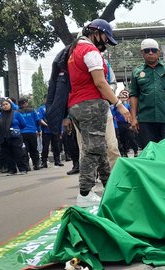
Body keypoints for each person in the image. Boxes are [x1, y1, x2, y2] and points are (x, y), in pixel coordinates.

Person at [66, 18, 130, 207]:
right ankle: (85, 193)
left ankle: (109, 186)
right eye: (105, 39)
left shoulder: (74, 50)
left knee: (99, 147)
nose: (105, 44)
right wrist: (118, 104)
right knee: (92, 149)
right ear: (95, 33)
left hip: (77, 106)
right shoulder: (90, 51)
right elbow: (100, 83)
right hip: (91, 104)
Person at [129, 38, 165, 148]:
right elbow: (133, 95)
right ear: (142, 53)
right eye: (147, 50)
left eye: (153, 50)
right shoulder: (136, 72)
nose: (150, 53)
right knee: (150, 151)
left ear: (158, 52)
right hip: (146, 119)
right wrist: (133, 117)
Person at [0, 99, 28, 175]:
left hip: (15, 136)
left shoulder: (16, 114)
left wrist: (16, 129)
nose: (5, 106)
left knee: (18, 152)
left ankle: (23, 169)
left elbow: (23, 124)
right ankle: (12, 170)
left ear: (10, 105)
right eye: (3, 105)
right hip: (4, 137)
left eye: (6, 104)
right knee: (7, 153)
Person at [17, 98, 41, 170]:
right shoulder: (32, 111)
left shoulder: (17, 112)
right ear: (25, 103)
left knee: (24, 150)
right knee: (34, 149)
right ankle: (36, 165)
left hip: (22, 133)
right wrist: (38, 130)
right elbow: (38, 121)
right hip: (32, 132)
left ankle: (27, 166)